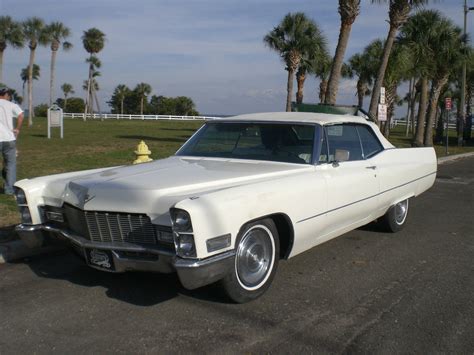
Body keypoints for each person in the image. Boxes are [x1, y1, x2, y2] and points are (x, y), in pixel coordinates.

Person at [0, 85, 24, 195]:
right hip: (8, 138)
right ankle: (9, 190)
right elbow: (21, 115)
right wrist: (17, 129)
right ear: (7, 95)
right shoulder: (11, 105)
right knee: (10, 164)